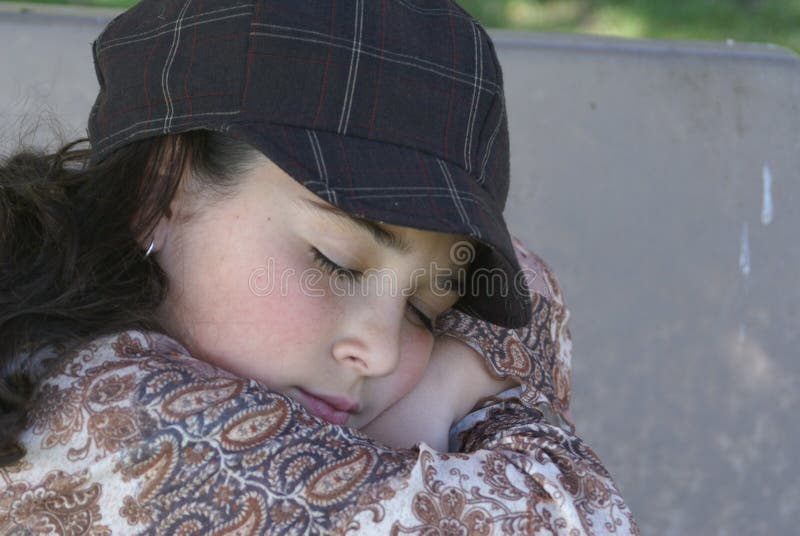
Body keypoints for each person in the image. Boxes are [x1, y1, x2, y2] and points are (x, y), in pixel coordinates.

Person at [0, 0, 639, 533]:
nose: (383, 353)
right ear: (160, 190)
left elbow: (522, 281)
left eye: (425, 311)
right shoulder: (113, 418)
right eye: (336, 262)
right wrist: (454, 384)